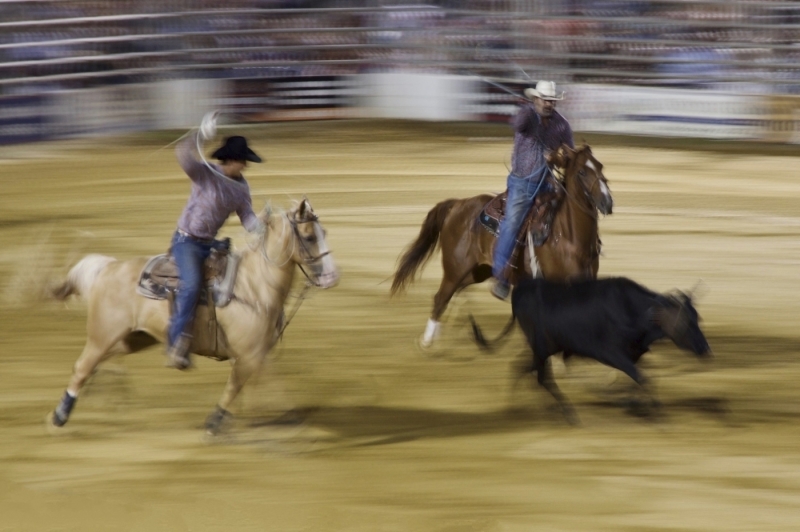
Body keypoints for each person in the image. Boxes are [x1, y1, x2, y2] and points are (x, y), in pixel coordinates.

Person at [165, 112, 265, 370]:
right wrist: (200, 134)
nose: (245, 166)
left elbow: (248, 219)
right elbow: (183, 155)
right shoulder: (205, 173)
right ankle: (176, 342)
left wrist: (264, 225)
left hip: (209, 243)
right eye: (243, 161)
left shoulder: (241, 188)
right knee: (192, 284)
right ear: (231, 160)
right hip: (186, 242)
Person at [491, 80, 574, 301]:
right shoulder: (527, 116)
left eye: (552, 101)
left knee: (569, 216)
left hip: (548, 183)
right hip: (522, 184)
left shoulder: (562, 125)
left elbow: (569, 156)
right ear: (536, 99)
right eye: (545, 100)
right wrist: (530, 109)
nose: (549, 104)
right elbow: (517, 124)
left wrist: (558, 157)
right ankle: (501, 274)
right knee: (513, 222)